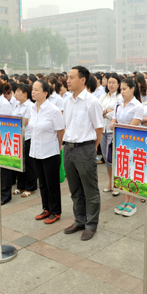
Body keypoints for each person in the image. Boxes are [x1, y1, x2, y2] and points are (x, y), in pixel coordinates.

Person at [62, 66, 104, 241]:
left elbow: (99, 129)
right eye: (68, 77)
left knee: (90, 190)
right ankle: (79, 220)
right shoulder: (67, 100)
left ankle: (91, 224)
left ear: (83, 80)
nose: (68, 80)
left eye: (72, 77)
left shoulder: (92, 101)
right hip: (68, 149)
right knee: (75, 189)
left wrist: (91, 149)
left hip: (85, 148)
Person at [29, 79, 65, 223]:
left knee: (52, 183)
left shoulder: (53, 110)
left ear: (45, 93)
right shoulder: (32, 108)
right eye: (32, 89)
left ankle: (56, 211)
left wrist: (58, 147)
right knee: (42, 183)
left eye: (36, 89)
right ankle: (46, 208)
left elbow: (60, 131)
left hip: (50, 152)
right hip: (35, 151)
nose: (33, 91)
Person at [111, 78, 144, 217]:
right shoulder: (118, 104)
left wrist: (117, 125)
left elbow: (132, 126)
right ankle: (125, 200)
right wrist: (116, 125)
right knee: (122, 171)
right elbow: (112, 123)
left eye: (124, 89)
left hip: (133, 144)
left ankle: (132, 202)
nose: (122, 92)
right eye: (121, 89)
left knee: (133, 172)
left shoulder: (138, 106)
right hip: (119, 143)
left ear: (132, 89)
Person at [12, 84, 38, 197]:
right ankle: (20, 186)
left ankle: (30, 187)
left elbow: (25, 122)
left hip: (27, 138)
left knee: (28, 164)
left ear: (25, 94)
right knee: (19, 163)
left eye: (18, 91)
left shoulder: (30, 106)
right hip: (16, 137)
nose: (15, 94)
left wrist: (11, 124)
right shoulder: (17, 105)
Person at [99, 73, 122, 195]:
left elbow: (117, 113)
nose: (111, 85)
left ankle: (117, 183)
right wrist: (108, 111)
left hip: (113, 131)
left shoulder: (120, 97)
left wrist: (106, 112)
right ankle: (110, 182)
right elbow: (98, 111)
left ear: (118, 84)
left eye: (114, 82)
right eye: (109, 82)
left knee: (113, 159)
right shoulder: (103, 97)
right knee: (106, 159)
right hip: (102, 130)